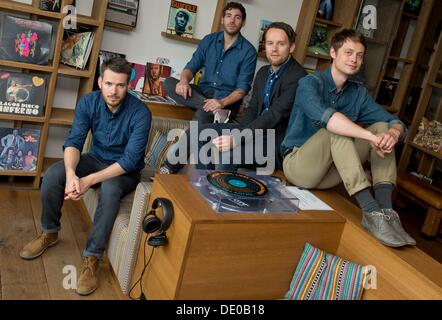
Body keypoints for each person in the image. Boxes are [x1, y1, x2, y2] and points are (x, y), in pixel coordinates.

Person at [19, 57, 152, 296]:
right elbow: (74, 142)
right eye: (109, 83)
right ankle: (50, 232)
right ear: (100, 81)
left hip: (124, 170)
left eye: (120, 85)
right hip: (95, 158)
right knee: (53, 175)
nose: (114, 91)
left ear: (128, 86)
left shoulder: (141, 112)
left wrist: (88, 180)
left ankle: (92, 259)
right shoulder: (88, 102)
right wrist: (72, 174)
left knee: (110, 190)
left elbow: (131, 160)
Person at [281, 29, 415, 248]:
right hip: (299, 167)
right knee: (338, 128)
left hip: (331, 173)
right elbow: (331, 121)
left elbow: (395, 121)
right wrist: (368, 136)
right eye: (349, 52)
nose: (354, 59)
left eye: (360, 55)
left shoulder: (358, 94)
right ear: (333, 53)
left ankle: (385, 212)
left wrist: (392, 133)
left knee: (382, 127)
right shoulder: (309, 83)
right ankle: (370, 211)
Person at [160, 22, 306, 174]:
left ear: (292, 47)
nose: (274, 49)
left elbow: (274, 115)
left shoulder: (298, 77)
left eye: (280, 44)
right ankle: (202, 185)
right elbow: (253, 109)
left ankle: (217, 195)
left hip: (273, 142)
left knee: (228, 155)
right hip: (253, 131)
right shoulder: (263, 72)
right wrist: (236, 130)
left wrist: (237, 138)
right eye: (270, 43)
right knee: (200, 132)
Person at [164, 2, 257, 124]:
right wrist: (184, 81)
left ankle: (214, 109)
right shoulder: (209, 40)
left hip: (228, 101)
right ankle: (214, 110)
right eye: (228, 16)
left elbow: (242, 89)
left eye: (237, 17)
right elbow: (191, 67)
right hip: (203, 92)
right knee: (169, 83)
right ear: (222, 19)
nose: (232, 21)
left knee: (203, 114)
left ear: (243, 22)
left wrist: (222, 102)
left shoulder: (249, 51)